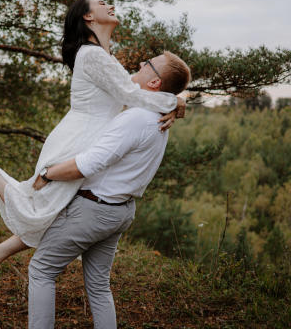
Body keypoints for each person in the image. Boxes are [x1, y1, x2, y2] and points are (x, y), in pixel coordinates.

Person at [0, 0, 186, 295]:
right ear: (88, 17)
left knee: (56, 213)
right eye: (101, 2)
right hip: (76, 140)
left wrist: (179, 99)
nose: (110, 4)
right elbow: (134, 95)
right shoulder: (92, 55)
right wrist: (176, 102)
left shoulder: (104, 56)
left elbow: (141, 89)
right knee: (39, 207)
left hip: (89, 138)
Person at [28, 51, 191, 328]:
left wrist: (47, 174)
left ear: (155, 82)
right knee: (99, 285)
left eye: (148, 64)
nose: (141, 64)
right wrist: (177, 102)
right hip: (120, 212)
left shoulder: (137, 118)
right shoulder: (158, 116)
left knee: (41, 270)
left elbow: (89, 163)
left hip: (94, 210)